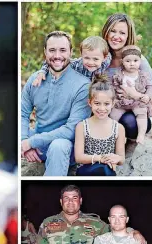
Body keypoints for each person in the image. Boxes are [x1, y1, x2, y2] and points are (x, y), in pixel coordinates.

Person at [21, 31, 90, 176]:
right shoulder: (35, 80)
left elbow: (71, 130)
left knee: (58, 145)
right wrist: (24, 141)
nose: (57, 55)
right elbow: (22, 113)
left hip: (66, 147)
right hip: (38, 140)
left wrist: (32, 142)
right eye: (52, 50)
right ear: (45, 52)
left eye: (63, 50)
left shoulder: (83, 85)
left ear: (71, 52)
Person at [101, 13, 152, 140]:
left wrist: (135, 94)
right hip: (109, 108)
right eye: (113, 31)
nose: (116, 36)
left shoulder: (137, 60)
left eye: (122, 33)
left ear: (128, 36)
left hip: (137, 112)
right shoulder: (100, 59)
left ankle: (131, 142)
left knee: (130, 123)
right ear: (106, 32)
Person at [74, 74, 125, 176]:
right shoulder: (82, 126)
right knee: (103, 169)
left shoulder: (118, 128)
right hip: (86, 169)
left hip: (107, 169)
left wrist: (116, 158)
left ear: (113, 104)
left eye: (106, 104)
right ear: (90, 103)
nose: (102, 109)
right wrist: (101, 158)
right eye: (97, 103)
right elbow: (78, 157)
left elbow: (121, 158)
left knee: (105, 169)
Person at [110, 45, 152, 145]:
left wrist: (147, 96)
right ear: (122, 61)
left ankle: (141, 134)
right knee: (113, 115)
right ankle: (112, 134)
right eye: (128, 61)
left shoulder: (143, 75)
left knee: (141, 115)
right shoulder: (119, 75)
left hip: (137, 102)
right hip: (122, 102)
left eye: (135, 61)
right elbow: (113, 87)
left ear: (140, 61)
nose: (132, 64)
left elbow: (151, 87)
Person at [32, 36, 112, 85]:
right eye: (86, 58)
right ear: (81, 54)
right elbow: (54, 61)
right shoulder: (76, 64)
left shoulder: (105, 62)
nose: (90, 62)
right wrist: (42, 71)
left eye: (95, 59)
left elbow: (110, 55)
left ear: (103, 58)